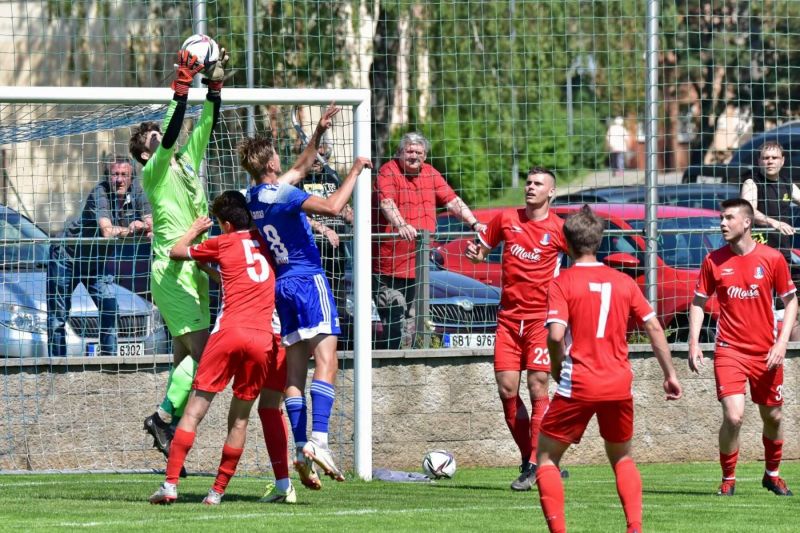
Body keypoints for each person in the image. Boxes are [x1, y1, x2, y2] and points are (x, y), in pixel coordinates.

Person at [239, 105, 372, 490]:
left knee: (295, 371)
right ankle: (320, 441)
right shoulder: (284, 194)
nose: (284, 159)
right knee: (327, 356)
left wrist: (317, 132)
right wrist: (355, 171)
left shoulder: (255, 195)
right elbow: (332, 206)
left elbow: (300, 165)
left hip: (283, 286)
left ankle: (301, 448)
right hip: (308, 278)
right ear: (270, 162)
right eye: (277, 154)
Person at [536, 205, 682, 533]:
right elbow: (655, 328)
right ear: (599, 242)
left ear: (566, 243)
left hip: (580, 382)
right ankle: (634, 527)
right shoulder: (623, 282)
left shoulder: (562, 282)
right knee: (622, 457)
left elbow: (556, 335)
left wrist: (558, 368)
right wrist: (669, 374)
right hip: (618, 383)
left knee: (546, 457)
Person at [149, 190, 283, 505]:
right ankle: (217, 492)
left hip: (229, 332)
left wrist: (195, 230)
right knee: (239, 419)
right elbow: (243, 275)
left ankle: (170, 485)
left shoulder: (223, 242)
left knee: (194, 412)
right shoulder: (267, 242)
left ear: (223, 224)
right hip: (263, 338)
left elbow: (177, 251)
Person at [129, 46, 229, 458]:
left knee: (185, 359)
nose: (162, 139)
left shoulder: (186, 163)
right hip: (171, 272)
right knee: (206, 358)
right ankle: (168, 421)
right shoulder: (152, 173)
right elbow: (171, 135)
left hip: (195, 269)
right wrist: (180, 87)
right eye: (154, 140)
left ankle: (163, 420)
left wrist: (215, 86)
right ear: (145, 154)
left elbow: (205, 123)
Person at [465, 167, 568, 491]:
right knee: (507, 390)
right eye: (529, 183)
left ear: (551, 192)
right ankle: (531, 459)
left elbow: (579, 264)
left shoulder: (559, 229)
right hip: (509, 319)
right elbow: (481, 251)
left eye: (538, 184)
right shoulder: (506, 218)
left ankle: (538, 462)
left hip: (540, 320)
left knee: (538, 386)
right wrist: (476, 254)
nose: (531, 187)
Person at [688, 198, 796, 497]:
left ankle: (772, 475)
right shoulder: (713, 260)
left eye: (729, 218)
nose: (722, 223)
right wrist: (694, 341)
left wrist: (781, 342)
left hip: (766, 352)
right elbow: (698, 302)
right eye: (722, 218)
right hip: (729, 350)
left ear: (747, 223)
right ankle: (728, 478)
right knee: (734, 416)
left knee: (773, 417)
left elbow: (791, 301)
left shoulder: (772, 259)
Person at [374, 132, 485, 349]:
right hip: (390, 265)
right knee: (395, 319)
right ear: (399, 154)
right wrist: (401, 224)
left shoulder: (430, 173)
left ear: (425, 156)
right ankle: (395, 368)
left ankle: (415, 366)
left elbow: (452, 201)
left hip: (421, 265)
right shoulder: (388, 171)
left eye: (419, 152)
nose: (414, 156)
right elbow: (386, 202)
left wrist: (475, 223)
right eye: (409, 151)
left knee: (418, 322)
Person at [47, 156, 152, 357]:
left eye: (124, 175)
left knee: (109, 306)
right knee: (58, 317)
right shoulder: (100, 192)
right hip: (67, 257)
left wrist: (144, 225)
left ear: (131, 178)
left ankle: (108, 363)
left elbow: (151, 223)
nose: (119, 180)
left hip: (96, 262)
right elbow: (107, 230)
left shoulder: (137, 191)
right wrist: (132, 229)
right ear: (107, 177)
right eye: (115, 174)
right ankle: (56, 369)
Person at [740, 141, 800, 339]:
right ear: (759, 161)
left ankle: (794, 360)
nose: (770, 161)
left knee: (791, 309)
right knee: (761, 311)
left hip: (782, 255)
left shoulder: (786, 184)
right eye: (766, 158)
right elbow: (749, 211)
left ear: (782, 161)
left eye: (774, 158)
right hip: (758, 256)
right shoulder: (752, 183)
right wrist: (774, 223)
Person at [299, 142, 354, 309]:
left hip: (336, 249)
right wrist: (322, 228)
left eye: (323, 157)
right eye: (315, 156)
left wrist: (349, 214)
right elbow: (296, 213)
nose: (318, 160)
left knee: (337, 297)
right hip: (311, 247)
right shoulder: (298, 179)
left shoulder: (332, 176)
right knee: (314, 296)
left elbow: (342, 204)